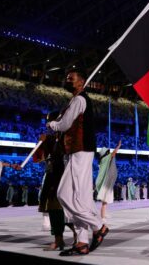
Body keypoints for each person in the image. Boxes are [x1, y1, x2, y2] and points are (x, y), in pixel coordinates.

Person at [46, 69, 108, 256]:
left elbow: (64, 125)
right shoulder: (77, 99)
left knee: (64, 195)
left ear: (81, 82)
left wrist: (52, 125)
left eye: (71, 79)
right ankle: (81, 242)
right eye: (66, 78)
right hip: (78, 151)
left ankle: (98, 226)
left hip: (79, 151)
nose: (67, 80)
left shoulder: (79, 100)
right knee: (81, 199)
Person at [32, 117, 77, 251]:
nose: (50, 126)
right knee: (52, 208)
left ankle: (77, 234)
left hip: (65, 176)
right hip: (52, 177)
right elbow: (37, 158)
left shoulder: (69, 137)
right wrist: (40, 144)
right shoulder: (49, 139)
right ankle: (58, 240)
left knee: (67, 211)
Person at [95, 140, 122, 223]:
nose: (108, 152)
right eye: (107, 151)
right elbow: (114, 153)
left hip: (104, 182)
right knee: (104, 201)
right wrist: (118, 146)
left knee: (105, 200)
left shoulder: (103, 160)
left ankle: (104, 214)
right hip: (104, 183)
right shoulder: (106, 158)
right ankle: (102, 217)